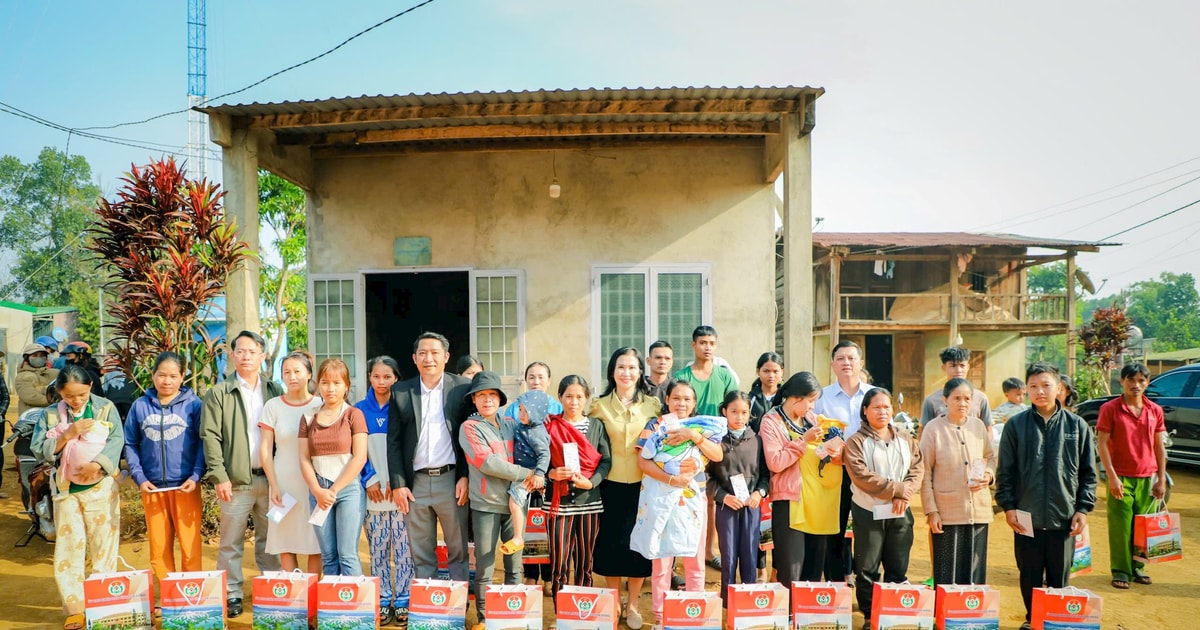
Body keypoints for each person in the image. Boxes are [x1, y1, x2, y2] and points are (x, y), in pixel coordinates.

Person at [995, 362, 1097, 630]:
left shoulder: (1077, 427)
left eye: (1046, 385)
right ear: (1026, 389)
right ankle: (1033, 619)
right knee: (1028, 573)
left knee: (1058, 576)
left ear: (1059, 388)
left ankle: (1054, 620)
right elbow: (1005, 472)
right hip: (1025, 516)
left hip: (1063, 516)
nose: (1040, 391)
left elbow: (1088, 473)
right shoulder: (1016, 426)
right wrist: (1008, 507)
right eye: (1033, 386)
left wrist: (1082, 509)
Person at [32, 364, 124, 630]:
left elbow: (117, 440)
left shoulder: (105, 407)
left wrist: (98, 464)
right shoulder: (50, 415)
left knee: (104, 545)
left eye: (82, 394)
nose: (76, 400)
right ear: (60, 391)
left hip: (101, 488)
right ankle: (74, 608)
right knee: (69, 548)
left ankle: (102, 603)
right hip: (66, 490)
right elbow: (40, 449)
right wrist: (69, 435)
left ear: (91, 388)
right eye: (69, 395)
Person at [201, 330, 284, 618]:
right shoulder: (219, 393)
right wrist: (219, 475)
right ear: (232, 355)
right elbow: (210, 436)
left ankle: (273, 587)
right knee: (231, 542)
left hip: (271, 481)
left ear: (263, 356)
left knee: (271, 539)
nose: (246, 356)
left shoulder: (275, 390)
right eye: (241, 351)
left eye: (252, 351)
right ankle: (232, 593)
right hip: (235, 481)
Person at [636, 379, 725, 628]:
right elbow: (643, 461)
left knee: (694, 560)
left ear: (694, 403)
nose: (681, 403)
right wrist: (672, 479)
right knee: (662, 562)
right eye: (676, 398)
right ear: (667, 400)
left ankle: (693, 615)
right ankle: (660, 618)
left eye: (687, 399)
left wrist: (693, 435)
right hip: (660, 498)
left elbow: (717, 455)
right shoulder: (655, 425)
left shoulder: (702, 426)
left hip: (692, 502)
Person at [387, 332, 473, 581]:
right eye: (423, 353)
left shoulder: (462, 388)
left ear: (446, 357)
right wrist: (398, 484)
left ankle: (455, 613)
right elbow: (393, 442)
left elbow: (470, 437)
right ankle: (429, 615)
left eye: (435, 353)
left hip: (452, 480)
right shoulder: (401, 392)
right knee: (422, 553)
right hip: (416, 485)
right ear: (414, 358)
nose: (429, 358)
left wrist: (465, 476)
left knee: (457, 550)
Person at [459, 371, 539, 627]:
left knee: (515, 566)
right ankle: (484, 619)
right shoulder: (469, 427)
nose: (487, 400)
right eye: (481, 395)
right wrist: (528, 473)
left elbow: (528, 449)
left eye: (492, 395)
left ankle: (511, 618)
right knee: (485, 568)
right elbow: (486, 463)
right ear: (474, 400)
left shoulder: (509, 424)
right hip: (486, 505)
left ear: (499, 398)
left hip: (515, 504)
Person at [123, 352, 206, 594]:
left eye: (173, 376)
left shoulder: (194, 405)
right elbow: (130, 443)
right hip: (152, 487)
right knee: (158, 548)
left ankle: (193, 597)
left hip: (185, 486)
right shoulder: (140, 406)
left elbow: (203, 441)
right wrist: (139, 477)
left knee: (190, 547)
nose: (166, 381)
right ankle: (170, 598)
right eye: (161, 375)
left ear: (182, 377)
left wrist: (196, 475)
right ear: (153, 375)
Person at [591, 347, 661, 630]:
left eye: (632, 367)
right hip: (609, 486)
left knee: (638, 547)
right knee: (610, 545)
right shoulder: (598, 406)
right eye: (621, 367)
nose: (627, 373)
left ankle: (632, 603)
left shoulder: (653, 406)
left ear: (640, 371)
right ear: (612, 371)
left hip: (643, 487)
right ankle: (614, 601)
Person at [843, 387, 923, 630]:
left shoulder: (905, 438)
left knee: (898, 564)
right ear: (865, 411)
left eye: (886, 407)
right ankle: (869, 614)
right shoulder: (856, 441)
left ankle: (893, 613)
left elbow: (918, 468)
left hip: (900, 512)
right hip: (869, 511)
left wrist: (905, 493)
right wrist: (897, 490)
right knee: (867, 566)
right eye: (876, 407)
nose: (882, 411)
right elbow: (861, 476)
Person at [1097, 362, 1167, 590]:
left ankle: (1139, 568)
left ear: (1147, 383)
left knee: (1143, 526)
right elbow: (1102, 444)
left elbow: (1159, 447)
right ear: (1122, 381)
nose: (1136, 385)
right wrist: (1112, 477)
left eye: (1141, 380)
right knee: (1121, 526)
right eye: (1131, 380)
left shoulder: (1154, 410)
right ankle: (1120, 570)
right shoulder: (1110, 409)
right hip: (1120, 477)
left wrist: (1161, 478)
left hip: (1147, 477)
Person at [919, 378, 995, 586]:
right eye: (957, 398)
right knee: (946, 574)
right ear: (945, 400)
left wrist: (988, 476)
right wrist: (931, 511)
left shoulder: (978, 426)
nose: (962, 403)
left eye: (967, 399)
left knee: (975, 573)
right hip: (947, 513)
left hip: (978, 511)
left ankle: (971, 617)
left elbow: (990, 458)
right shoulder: (933, 429)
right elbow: (924, 472)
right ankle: (945, 617)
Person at [673, 326, 738, 570]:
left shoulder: (724, 376)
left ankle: (709, 551)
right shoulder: (683, 376)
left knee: (710, 499)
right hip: (686, 446)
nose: (707, 347)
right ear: (693, 345)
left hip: (716, 446)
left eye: (711, 342)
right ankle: (676, 558)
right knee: (680, 498)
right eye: (702, 342)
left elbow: (734, 406)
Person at [299, 358, 369, 576]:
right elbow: (303, 458)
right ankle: (332, 608)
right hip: (318, 491)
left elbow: (360, 458)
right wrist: (318, 491)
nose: (331, 388)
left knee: (347, 554)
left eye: (337, 383)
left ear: (346, 386)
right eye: (325, 382)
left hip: (348, 491)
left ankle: (356, 607)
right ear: (318, 384)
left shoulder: (353, 415)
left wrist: (334, 490)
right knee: (328, 555)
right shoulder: (308, 417)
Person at [358, 356, 414, 625]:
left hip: (398, 491)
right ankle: (381, 599)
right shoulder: (357, 411)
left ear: (396, 379)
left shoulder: (403, 407)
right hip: (373, 493)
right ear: (369, 377)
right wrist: (369, 480)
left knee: (404, 550)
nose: (381, 382)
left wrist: (398, 479)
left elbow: (407, 447)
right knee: (378, 549)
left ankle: (403, 600)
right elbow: (354, 452)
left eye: (387, 377)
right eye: (376, 376)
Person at [758, 372, 828, 585]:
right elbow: (775, 462)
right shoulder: (771, 421)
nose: (812, 407)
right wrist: (803, 441)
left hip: (815, 497)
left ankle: (807, 614)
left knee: (815, 560)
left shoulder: (811, 419)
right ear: (797, 397)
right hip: (788, 499)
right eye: (811, 401)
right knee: (791, 562)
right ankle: (789, 613)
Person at [813, 340, 873, 584]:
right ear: (832, 365)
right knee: (834, 530)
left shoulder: (874, 395)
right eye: (840, 359)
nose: (846, 363)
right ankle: (835, 585)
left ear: (861, 363)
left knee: (868, 532)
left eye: (851, 358)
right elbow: (812, 436)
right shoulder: (821, 398)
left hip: (867, 473)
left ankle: (866, 588)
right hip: (833, 474)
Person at [545, 375, 611, 594]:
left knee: (585, 564)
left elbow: (606, 461)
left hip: (589, 502)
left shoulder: (596, 426)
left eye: (579, 397)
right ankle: (561, 617)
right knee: (559, 564)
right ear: (560, 397)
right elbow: (538, 461)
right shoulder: (549, 426)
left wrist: (591, 483)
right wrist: (551, 473)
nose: (574, 402)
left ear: (587, 399)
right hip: (558, 503)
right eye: (568, 396)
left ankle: (582, 617)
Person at [259, 351, 323, 574]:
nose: (292, 376)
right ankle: (295, 595)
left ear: (309, 374)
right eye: (286, 372)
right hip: (283, 481)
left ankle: (313, 597)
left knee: (316, 541)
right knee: (285, 540)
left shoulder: (321, 404)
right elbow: (266, 448)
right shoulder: (273, 406)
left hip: (315, 483)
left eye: (297, 371)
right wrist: (273, 485)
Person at [503, 362, 562, 592]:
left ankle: (549, 576)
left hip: (547, 475)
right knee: (527, 525)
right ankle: (530, 575)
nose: (536, 381)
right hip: (524, 473)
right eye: (531, 377)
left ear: (548, 380)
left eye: (540, 377)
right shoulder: (515, 407)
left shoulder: (556, 407)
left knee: (547, 526)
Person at [707, 391, 767, 606]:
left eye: (744, 412)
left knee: (750, 555)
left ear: (750, 413)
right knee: (729, 556)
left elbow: (765, 476)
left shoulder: (757, 441)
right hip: (726, 508)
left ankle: (748, 604)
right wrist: (723, 497)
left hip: (751, 506)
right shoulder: (716, 442)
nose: (739, 417)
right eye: (734, 411)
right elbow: (707, 476)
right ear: (724, 412)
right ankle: (727, 604)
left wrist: (759, 493)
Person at [499, 389, 552, 555]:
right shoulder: (524, 426)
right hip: (524, 472)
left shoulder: (536, 432)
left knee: (514, 504)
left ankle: (518, 537)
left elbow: (545, 454)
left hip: (529, 474)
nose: (520, 414)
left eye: (525, 411)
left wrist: (539, 474)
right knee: (520, 506)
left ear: (535, 413)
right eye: (520, 410)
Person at [919, 347, 991, 428]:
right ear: (943, 367)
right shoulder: (931, 401)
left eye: (962, 365)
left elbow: (988, 429)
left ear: (968, 367)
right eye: (953, 366)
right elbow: (923, 431)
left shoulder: (981, 398)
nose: (958, 370)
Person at [16, 342, 58, 415]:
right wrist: (55, 400)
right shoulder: (22, 376)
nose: (39, 358)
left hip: (53, 416)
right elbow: (31, 397)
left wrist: (39, 389)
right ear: (27, 358)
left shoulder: (55, 373)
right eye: (34, 355)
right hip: (31, 418)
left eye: (42, 355)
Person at [747, 352, 784, 432]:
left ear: (782, 372)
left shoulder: (786, 398)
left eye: (775, 371)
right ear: (758, 371)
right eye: (766, 371)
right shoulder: (750, 399)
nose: (771, 375)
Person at [645, 340, 674, 407]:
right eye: (658, 358)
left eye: (667, 358)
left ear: (672, 362)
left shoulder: (676, 387)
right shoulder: (639, 386)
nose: (663, 362)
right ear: (648, 361)